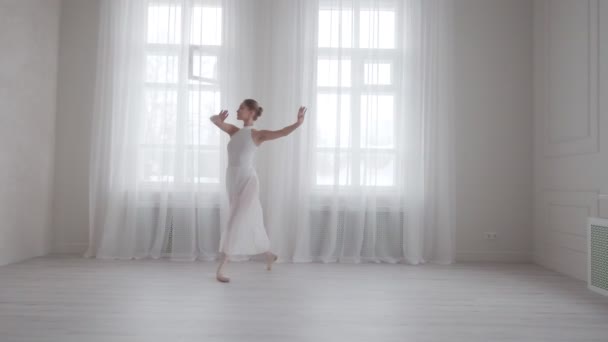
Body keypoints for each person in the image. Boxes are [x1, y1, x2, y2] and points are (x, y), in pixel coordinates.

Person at [209, 99, 307, 282]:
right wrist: (218, 118)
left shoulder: (257, 134)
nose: (237, 110)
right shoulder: (234, 131)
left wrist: (298, 123)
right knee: (249, 220)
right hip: (232, 180)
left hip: (248, 181)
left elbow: (283, 133)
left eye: (241, 108)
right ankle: (269, 255)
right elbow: (213, 120)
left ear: (252, 112)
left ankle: (222, 268)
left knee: (234, 221)